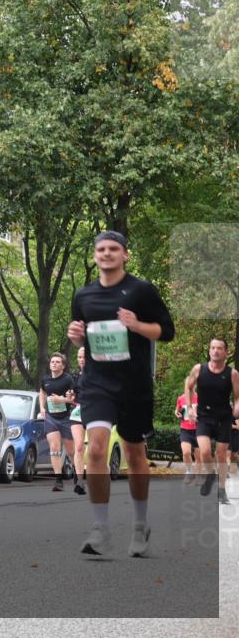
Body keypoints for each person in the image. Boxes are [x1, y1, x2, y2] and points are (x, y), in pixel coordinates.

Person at [67, 230, 174, 557]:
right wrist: (75, 337)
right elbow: (81, 337)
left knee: (135, 455)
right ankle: (100, 529)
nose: (107, 254)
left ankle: (140, 525)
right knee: (95, 449)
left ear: (125, 254)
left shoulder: (141, 291)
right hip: (97, 383)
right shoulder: (83, 295)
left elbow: (166, 331)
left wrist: (137, 325)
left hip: (133, 384)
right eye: (101, 249)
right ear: (95, 255)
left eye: (114, 249)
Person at [183, 337, 239, 504]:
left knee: (221, 455)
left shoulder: (232, 374)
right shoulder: (199, 369)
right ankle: (210, 474)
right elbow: (188, 386)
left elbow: (237, 397)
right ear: (209, 351)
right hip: (204, 416)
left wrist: (237, 406)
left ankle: (221, 491)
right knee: (205, 451)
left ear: (225, 352)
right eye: (213, 347)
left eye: (219, 348)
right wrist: (190, 407)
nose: (215, 351)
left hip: (223, 417)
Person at [39, 352, 79, 492]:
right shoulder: (46, 379)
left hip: (67, 418)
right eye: (52, 362)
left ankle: (77, 475)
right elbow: (42, 392)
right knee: (55, 448)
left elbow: (74, 398)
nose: (54, 363)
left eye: (57, 362)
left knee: (71, 451)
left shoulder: (68, 380)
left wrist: (61, 400)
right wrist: (42, 407)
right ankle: (58, 480)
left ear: (63, 365)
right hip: (51, 418)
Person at [66, 347, 87, 492]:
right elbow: (72, 396)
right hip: (78, 412)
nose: (81, 360)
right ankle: (80, 481)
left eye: (84, 357)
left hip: (95, 412)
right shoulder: (76, 375)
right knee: (78, 447)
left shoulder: (99, 374)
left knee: (96, 451)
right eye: (79, 357)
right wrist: (70, 396)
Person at [175, 390, 199, 484]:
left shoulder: (200, 397)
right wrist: (177, 413)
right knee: (186, 452)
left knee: (199, 458)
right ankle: (189, 471)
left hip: (199, 430)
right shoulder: (181, 398)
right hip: (185, 429)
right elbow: (177, 411)